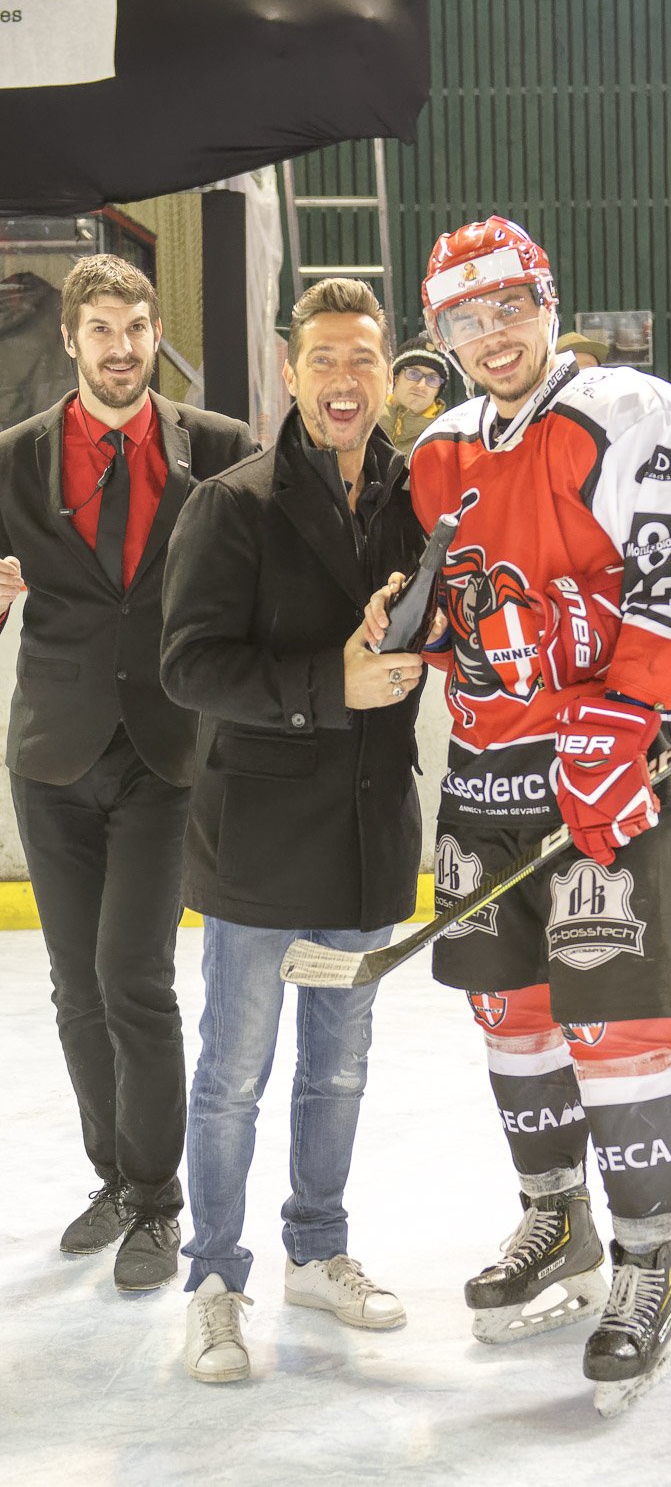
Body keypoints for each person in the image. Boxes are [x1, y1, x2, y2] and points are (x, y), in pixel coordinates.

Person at [367, 216, 671, 1413]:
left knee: (621, 1029)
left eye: (509, 308)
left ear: (547, 301)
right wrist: (409, 622)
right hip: (487, 781)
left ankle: (648, 1264)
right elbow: (441, 601)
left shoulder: (628, 410)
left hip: (611, 778)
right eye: (463, 319)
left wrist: (625, 717)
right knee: (513, 1020)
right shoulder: (438, 449)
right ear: (440, 332)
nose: (491, 336)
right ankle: (557, 1220)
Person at [160, 277, 427, 1384]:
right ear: (289, 372)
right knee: (234, 1074)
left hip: (368, 833)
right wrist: (332, 682)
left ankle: (317, 1250)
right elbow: (189, 666)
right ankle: (214, 1281)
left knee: (339, 1070)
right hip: (264, 845)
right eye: (323, 359)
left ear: (387, 375)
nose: (343, 379)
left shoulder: (419, 496)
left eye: (362, 358)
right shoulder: (233, 504)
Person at [0, 254, 254, 1290]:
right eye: (100, 329)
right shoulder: (13, 458)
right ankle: (112, 1176)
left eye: (135, 328)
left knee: (132, 978)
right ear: (70, 338)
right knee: (74, 986)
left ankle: (157, 1196)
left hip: (166, 750)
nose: (120, 347)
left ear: (155, 333)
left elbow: (261, 584)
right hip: (52, 753)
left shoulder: (221, 450)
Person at [378, 331, 449, 461]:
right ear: (395, 377)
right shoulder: (367, 419)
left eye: (432, 379)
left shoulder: (446, 437)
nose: (421, 385)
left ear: (438, 390)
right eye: (413, 374)